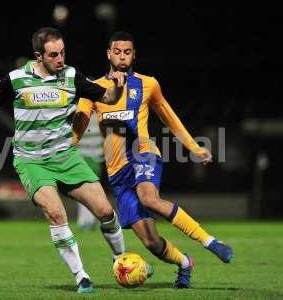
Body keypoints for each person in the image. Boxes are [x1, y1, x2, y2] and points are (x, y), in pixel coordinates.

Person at [0, 27, 126, 294]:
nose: (60, 59)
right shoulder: (16, 79)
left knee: (105, 212)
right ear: (38, 56)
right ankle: (81, 276)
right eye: (54, 55)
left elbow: (108, 98)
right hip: (32, 161)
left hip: (65, 157)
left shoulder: (71, 76)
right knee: (56, 214)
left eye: (63, 53)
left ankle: (121, 261)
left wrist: (117, 85)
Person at [73, 31, 234, 289]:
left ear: (134, 55)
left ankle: (211, 242)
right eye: (117, 51)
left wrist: (194, 147)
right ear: (109, 54)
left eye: (127, 52)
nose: (122, 56)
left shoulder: (149, 84)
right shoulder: (93, 89)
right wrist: (62, 148)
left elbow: (169, 117)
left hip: (143, 152)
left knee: (149, 198)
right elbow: (77, 129)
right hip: (117, 172)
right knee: (151, 242)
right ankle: (184, 263)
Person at [75, 112, 103, 230]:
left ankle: (87, 220)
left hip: (89, 158)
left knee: (85, 191)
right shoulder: (98, 117)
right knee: (89, 190)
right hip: (89, 158)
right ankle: (88, 220)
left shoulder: (81, 116)